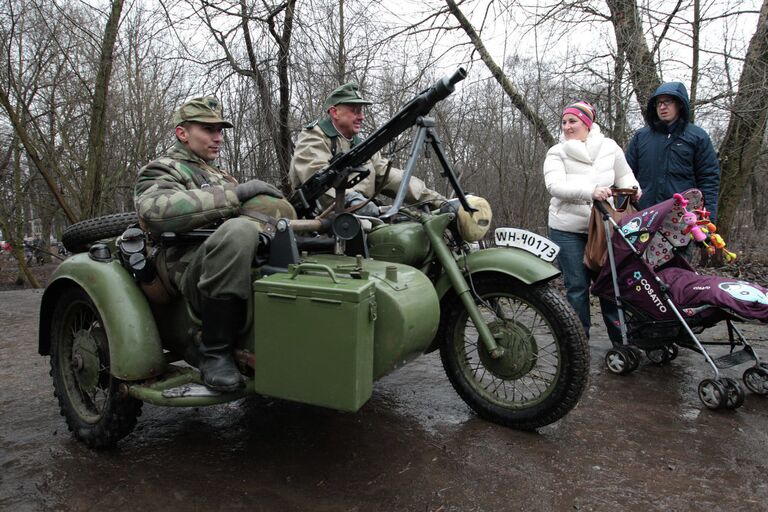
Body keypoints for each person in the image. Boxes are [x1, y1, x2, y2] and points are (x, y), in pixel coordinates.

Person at [134, 96, 284, 392]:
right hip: (182, 261)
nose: (218, 138)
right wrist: (236, 195)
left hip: (221, 257)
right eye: (209, 129)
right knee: (239, 231)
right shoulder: (163, 169)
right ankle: (214, 352)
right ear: (182, 133)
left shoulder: (219, 174)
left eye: (220, 131)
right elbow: (155, 211)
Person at [543, 101, 641, 346]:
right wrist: (591, 191)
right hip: (567, 229)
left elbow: (625, 174)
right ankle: (578, 344)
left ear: (587, 123)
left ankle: (621, 342)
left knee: (610, 284)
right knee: (576, 287)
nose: (567, 127)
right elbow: (554, 186)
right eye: (564, 122)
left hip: (604, 227)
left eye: (572, 121)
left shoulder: (609, 147)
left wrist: (634, 189)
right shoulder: (557, 152)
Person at [289, 82, 445, 215]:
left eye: (361, 111)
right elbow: (317, 179)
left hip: (359, 221)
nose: (361, 117)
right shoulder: (314, 137)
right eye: (355, 111)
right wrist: (354, 201)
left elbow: (391, 177)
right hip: (318, 229)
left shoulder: (361, 146)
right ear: (334, 112)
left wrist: (437, 200)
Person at [625, 82, 720, 222]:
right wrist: (624, 210)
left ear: (680, 104)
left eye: (667, 102)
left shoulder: (697, 137)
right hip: (644, 215)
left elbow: (709, 179)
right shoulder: (641, 137)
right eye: (658, 103)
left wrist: (708, 219)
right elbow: (626, 175)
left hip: (683, 219)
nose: (662, 107)